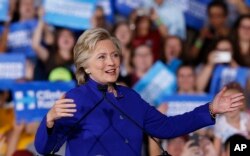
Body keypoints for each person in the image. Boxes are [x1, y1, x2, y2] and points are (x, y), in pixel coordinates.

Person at [35, 28, 244, 156]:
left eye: (115, 55)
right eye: (101, 57)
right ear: (85, 66)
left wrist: (210, 109)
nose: (111, 62)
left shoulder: (130, 97)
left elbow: (166, 127)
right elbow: (45, 148)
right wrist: (50, 120)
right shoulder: (75, 99)